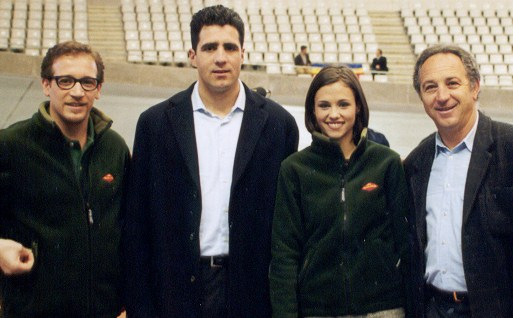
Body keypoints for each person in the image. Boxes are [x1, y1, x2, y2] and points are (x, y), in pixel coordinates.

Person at [123, 5, 299, 317]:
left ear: (243, 53)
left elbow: (288, 225)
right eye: (209, 47)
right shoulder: (155, 124)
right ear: (193, 55)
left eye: (230, 47)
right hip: (176, 291)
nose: (221, 57)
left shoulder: (278, 124)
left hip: (251, 291)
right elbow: (138, 225)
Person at [0, 41, 130, 316]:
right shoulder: (11, 145)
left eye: (87, 82)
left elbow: (128, 229)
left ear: (99, 89)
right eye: (66, 81)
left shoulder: (115, 148)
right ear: (47, 85)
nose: (77, 92)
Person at [269, 66, 411, 317]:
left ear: (358, 108)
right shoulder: (294, 169)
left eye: (343, 104)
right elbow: (285, 255)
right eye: (324, 105)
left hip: (382, 309)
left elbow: (406, 245)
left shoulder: (386, 163)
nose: (334, 114)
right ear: (312, 110)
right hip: (318, 310)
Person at [404, 44, 513, 317]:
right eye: (430, 87)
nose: (442, 96)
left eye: (452, 83)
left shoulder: (508, 147)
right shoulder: (417, 162)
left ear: (475, 87)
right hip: (433, 308)